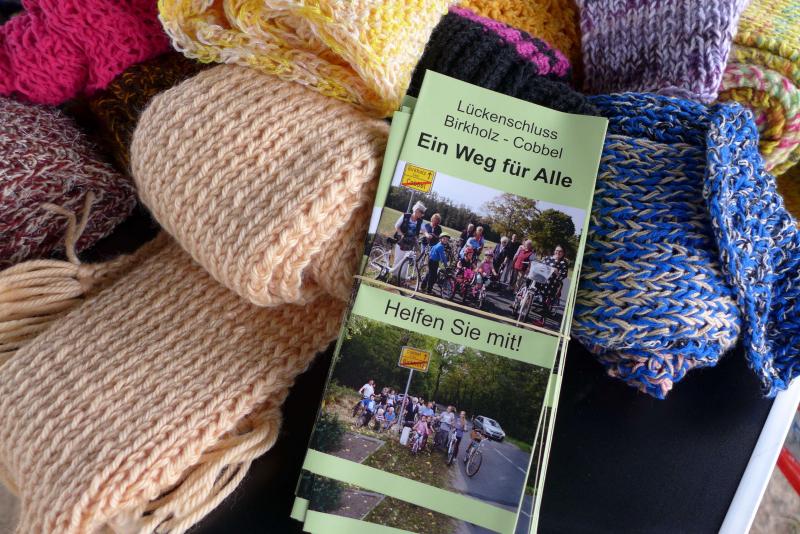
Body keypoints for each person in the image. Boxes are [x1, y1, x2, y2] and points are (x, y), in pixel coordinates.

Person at [389, 201, 426, 280]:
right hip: (401, 241)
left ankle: (401, 278)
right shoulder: (405, 216)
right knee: (398, 258)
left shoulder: (420, 221)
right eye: (422, 212)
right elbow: (397, 226)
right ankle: (394, 276)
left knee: (406, 260)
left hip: (410, 243)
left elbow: (424, 230)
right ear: (416, 210)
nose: (422, 214)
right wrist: (401, 234)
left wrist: (427, 235)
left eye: (423, 213)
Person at [532, 245, 570, 320]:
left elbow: (563, 276)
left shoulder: (563, 263)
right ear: (554, 251)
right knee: (531, 282)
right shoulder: (547, 258)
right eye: (557, 250)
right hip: (541, 279)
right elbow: (540, 266)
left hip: (552, 283)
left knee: (545, 299)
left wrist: (557, 273)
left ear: (563, 253)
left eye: (560, 251)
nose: (558, 252)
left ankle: (542, 320)